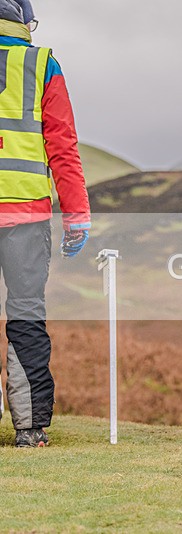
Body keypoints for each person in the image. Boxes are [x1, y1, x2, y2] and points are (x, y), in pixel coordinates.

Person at [0, 0, 91, 447]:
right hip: (26, 215)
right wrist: (77, 215)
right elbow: (63, 145)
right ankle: (29, 428)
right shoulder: (42, 64)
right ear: (23, 21)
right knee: (25, 314)